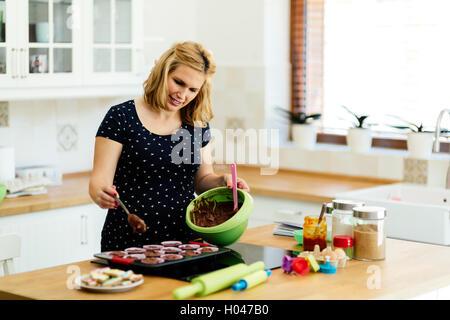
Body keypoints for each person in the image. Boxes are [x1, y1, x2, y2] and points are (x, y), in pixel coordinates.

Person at [89, 41, 250, 252]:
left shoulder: (196, 123)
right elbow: (98, 180)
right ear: (162, 72)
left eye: (193, 89)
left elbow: (201, 181)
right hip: (129, 241)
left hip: (186, 242)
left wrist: (223, 181)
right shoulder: (121, 117)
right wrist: (100, 193)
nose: (183, 95)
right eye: (178, 82)